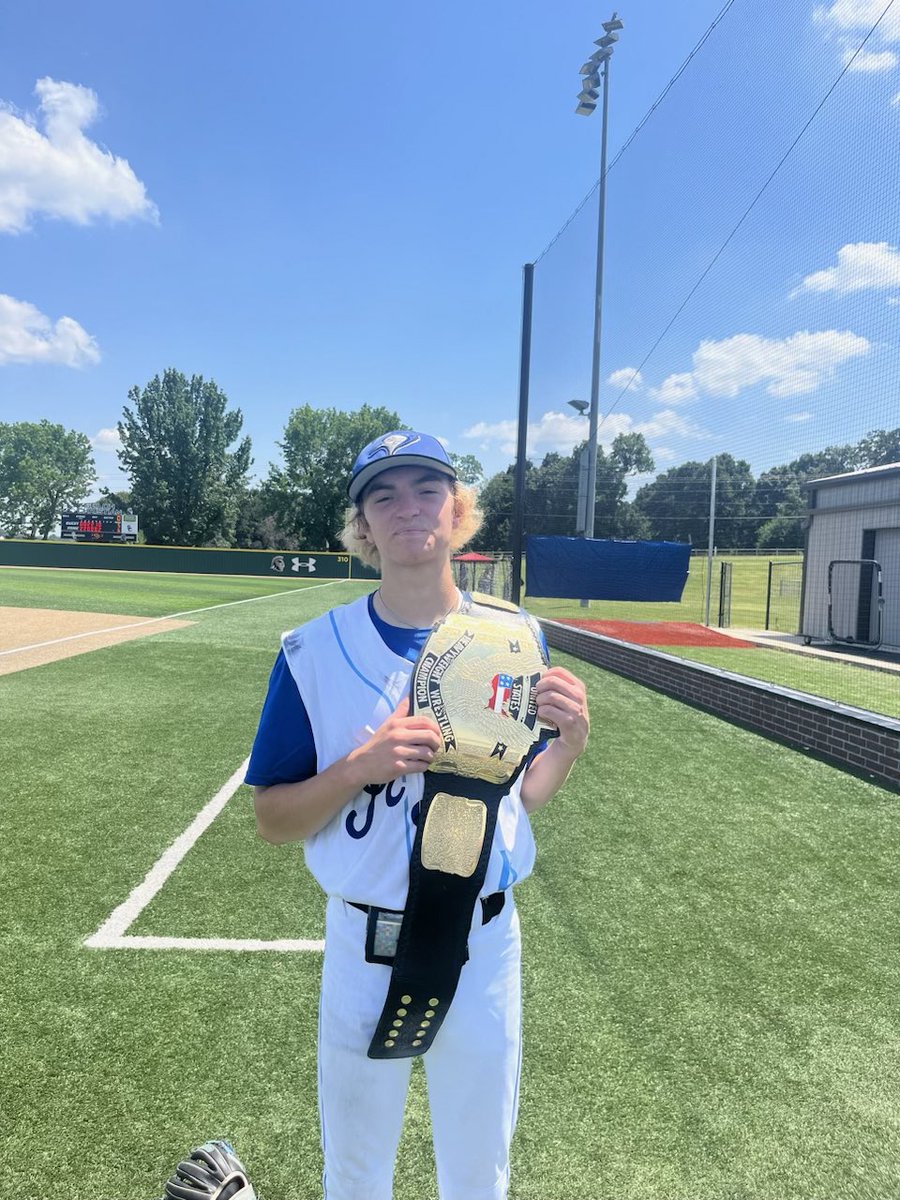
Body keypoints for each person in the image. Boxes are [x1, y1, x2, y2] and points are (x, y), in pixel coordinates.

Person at [247, 430, 590, 1200]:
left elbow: (522, 794)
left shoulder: (515, 637)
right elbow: (273, 819)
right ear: (363, 527)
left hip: (484, 938)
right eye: (384, 495)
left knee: (479, 1172)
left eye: (427, 489)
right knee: (357, 1172)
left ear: (457, 508)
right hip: (367, 943)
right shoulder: (312, 650)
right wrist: (359, 768)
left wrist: (567, 746)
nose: (408, 508)